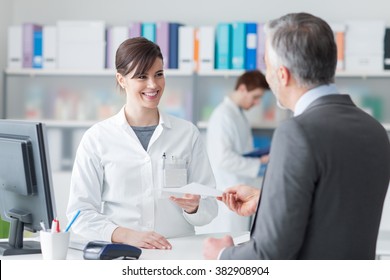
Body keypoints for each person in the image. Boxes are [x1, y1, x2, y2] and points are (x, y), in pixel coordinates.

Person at [203, 12, 390, 259]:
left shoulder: (296, 133)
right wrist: (269, 199)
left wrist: (222, 255)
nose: (267, 77)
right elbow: (334, 207)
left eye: (267, 66)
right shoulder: (374, 129)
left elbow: (270, 254)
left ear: (282, 75)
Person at [67, 37, 217, 250]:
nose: (153, 85)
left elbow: (210, 207)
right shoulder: (97, 138)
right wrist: (125, 235)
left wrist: (195, 207)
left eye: (159, 74)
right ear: (121, 80)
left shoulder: (187, 134)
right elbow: (79, 214)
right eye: (141, 76)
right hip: (121, 253)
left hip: (177, 252)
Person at [199, 70, 270, 234]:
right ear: (243, 89)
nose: (257, 102)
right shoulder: (222, 115)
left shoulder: (238, 115)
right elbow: (223, 158)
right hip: (228, 193)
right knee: (228, 246)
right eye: (256, 97)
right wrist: (259, 163)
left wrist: (259, 157)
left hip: (240, 191)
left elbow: (241, 151)